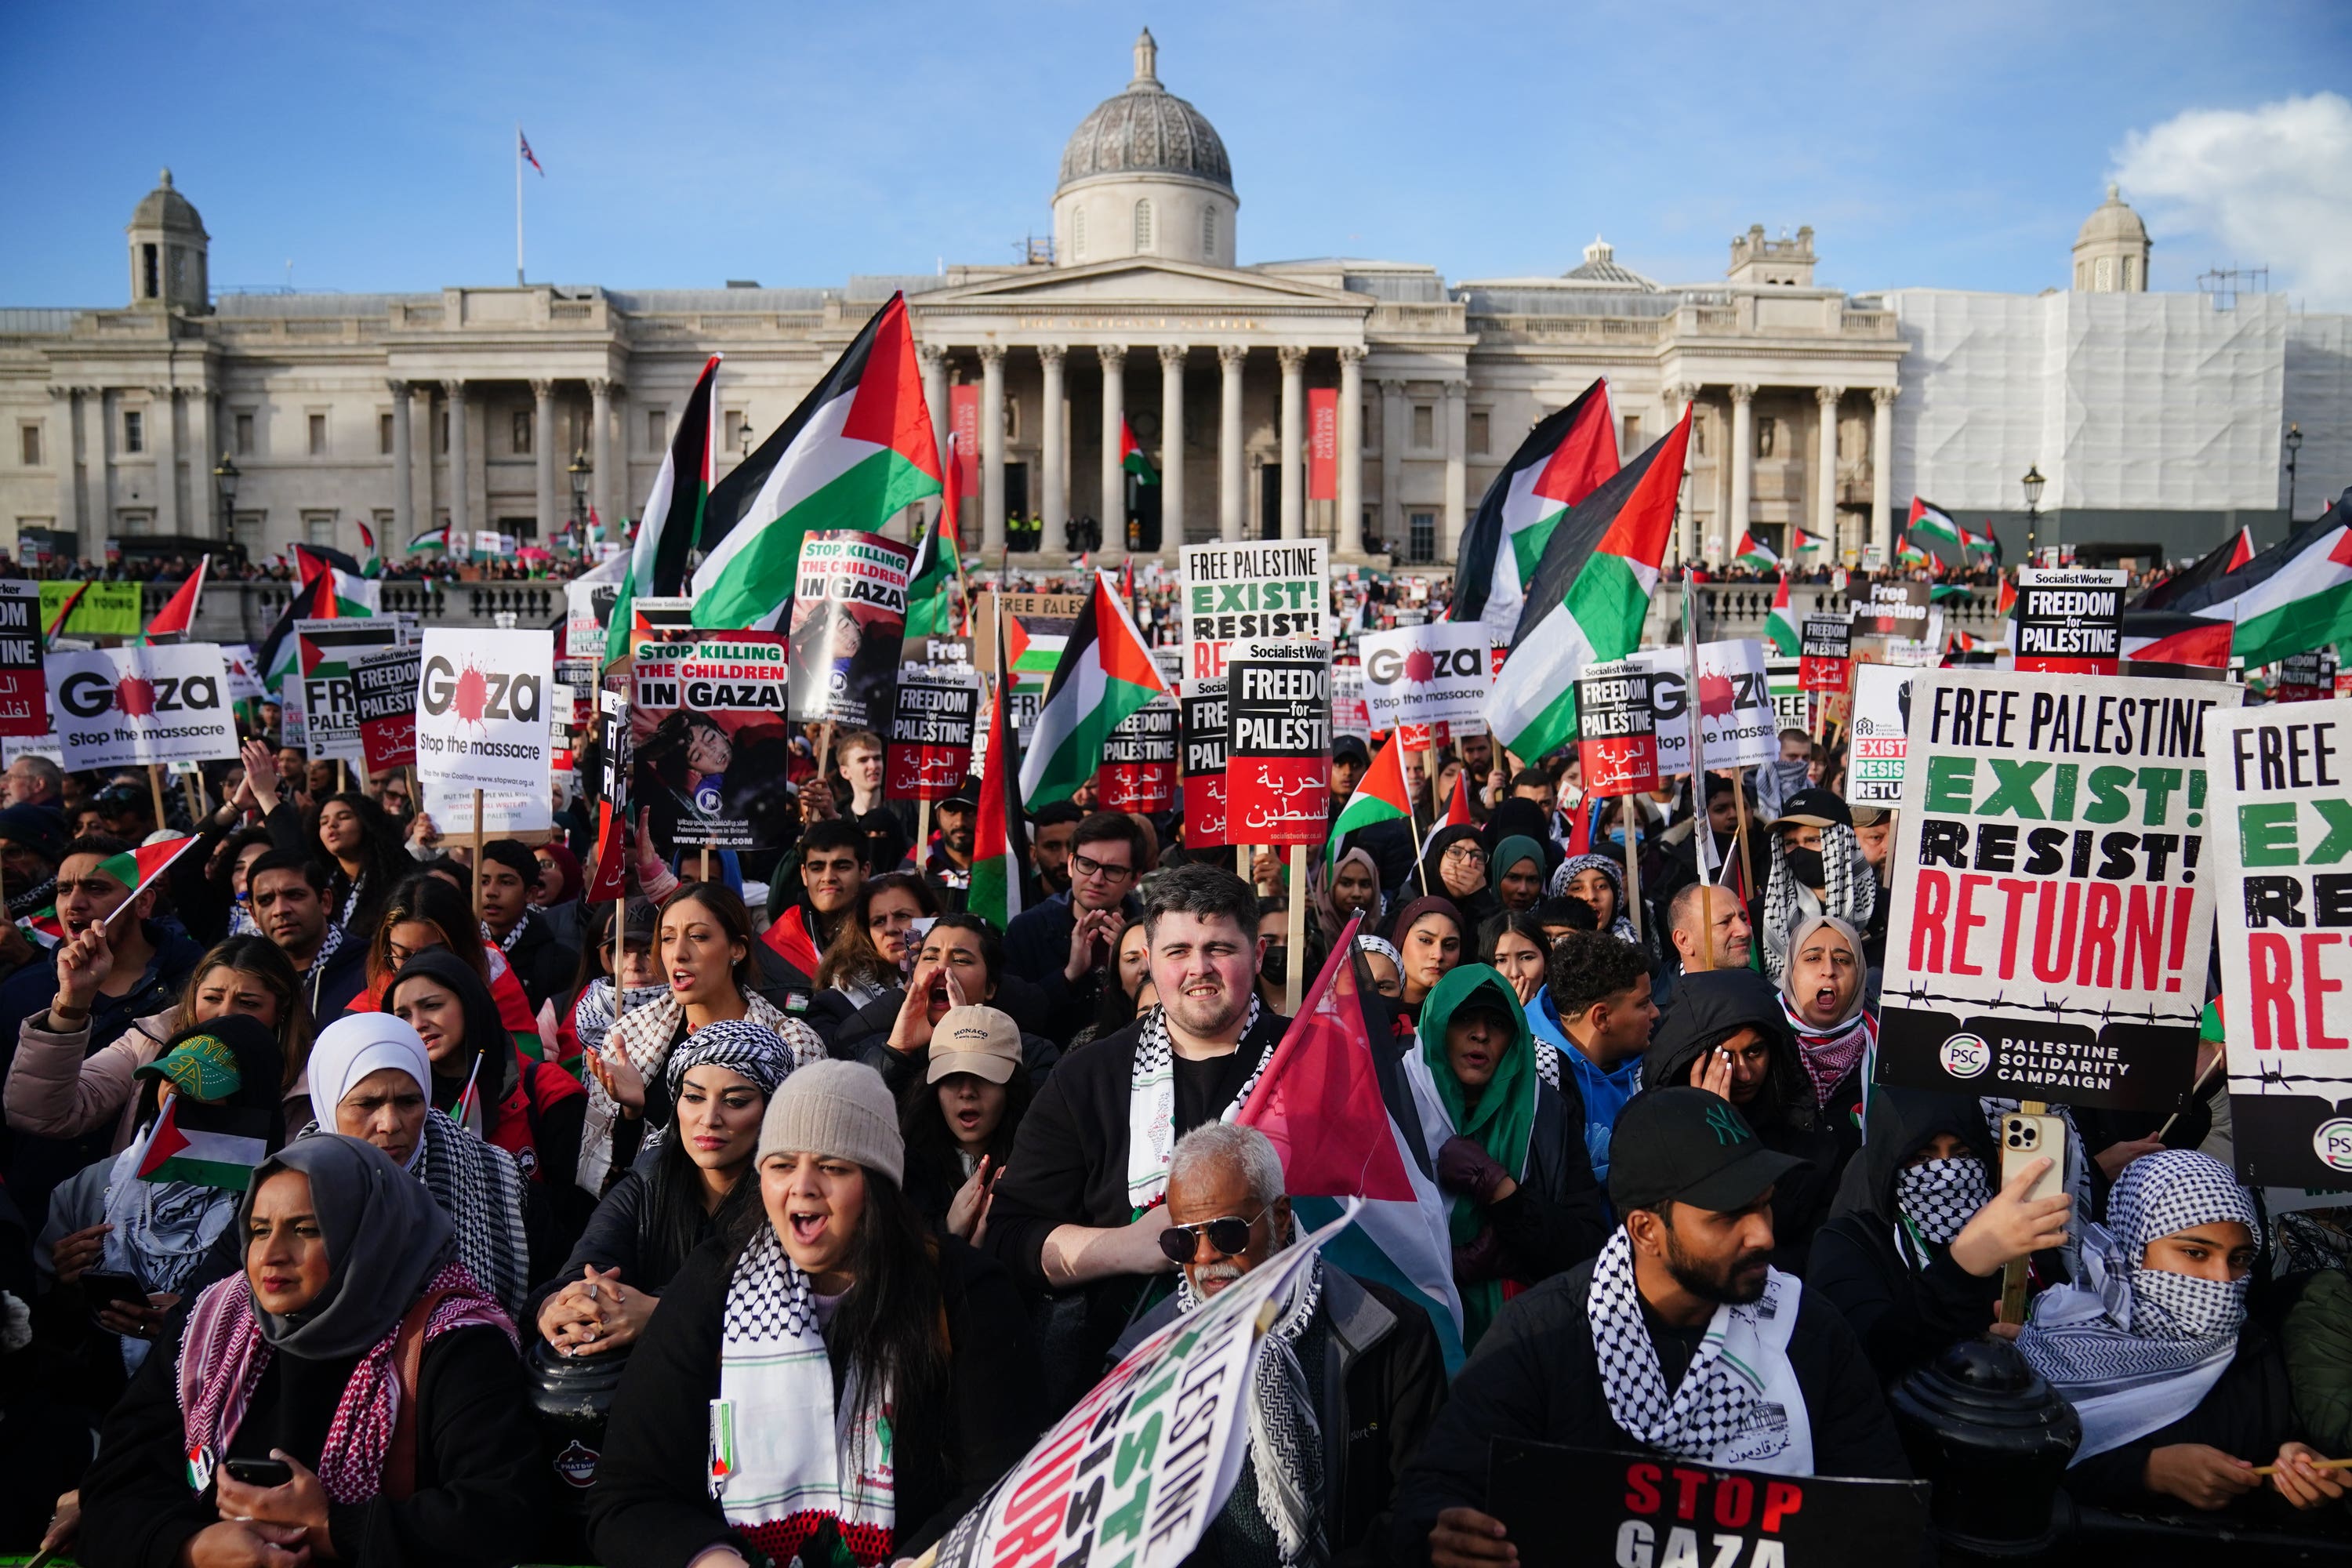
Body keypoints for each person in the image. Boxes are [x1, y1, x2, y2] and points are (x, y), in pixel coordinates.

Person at [1392, 1088, 1911, 1568]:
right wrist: (1445, 1533)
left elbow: (1885, 1517)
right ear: (1646, 1230)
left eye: (1765, 1204)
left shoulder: (1808, 1329)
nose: (1763, 1235)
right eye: (1729, 1216)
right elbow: (1438, 1490)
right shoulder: (1544, 1336)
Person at [588, 1060, 1047, 1567]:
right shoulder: (715, 1284)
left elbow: (1002, 1486)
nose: (802, 1187)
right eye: (782, 1165)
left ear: (879, 1185)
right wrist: (712, 1559)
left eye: (832, 1167)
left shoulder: (964, 1292)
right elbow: (629, 1496)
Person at [74, 1135, 546, 1568]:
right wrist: (192, 1548)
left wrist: (332, 1528)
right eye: (259, 1230)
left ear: (368, 1234)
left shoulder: (455, 1341)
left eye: (305, 1229)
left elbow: (500, 1515)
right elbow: (116, 1485)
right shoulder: (213, 1324)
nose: (271, 1255)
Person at [986, 863, 1290, 1392]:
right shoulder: (1085, 1077)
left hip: (1289, 1351)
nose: (1199, 968)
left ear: (1258, 955)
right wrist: (1129, 1246)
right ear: (1149, 961)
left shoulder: (1312, 1060)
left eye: (1220, 948)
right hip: (1131, 1378)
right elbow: (1010, 1234)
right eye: (1178, 951)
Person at [1111, 1123, 1448, 1567]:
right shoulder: (1140, 1365)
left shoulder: (1392, 1332)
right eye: (1183, 1240)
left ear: (1281, 1217)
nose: (1205, 1257)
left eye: (1227, 1233)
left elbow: (1424, 1505)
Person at [2020, 1149, 2348, 1518]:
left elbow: (2267, 1455)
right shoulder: (2059, 1344)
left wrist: (2288, 1472)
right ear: (2133, 1246)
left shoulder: (2250, 1347)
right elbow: (2016, 1470)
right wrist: (2149, 1472)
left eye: (2239, 1259)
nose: (2222, 1279)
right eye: (2195, 1253)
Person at [535, 1018, 795, 1360]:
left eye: (734, 1102)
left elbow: (783, 1307)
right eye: (694, 1097)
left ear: (770, 1110)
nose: (709, 1118)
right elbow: (587, 1263)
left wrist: (660, 1313)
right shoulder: (649, 1181)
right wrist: (561, 1307)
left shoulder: (791, 1198)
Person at [0, 835, 207, 1225]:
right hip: (39, 1218)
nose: (74, 903)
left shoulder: (200, 989)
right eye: (64, 889)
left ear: (143, 903)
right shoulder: (18, 993)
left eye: (96, 889)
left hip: (154, 1217)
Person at [578, 882, 823, 1196]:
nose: (679, 953)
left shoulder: (793, 1043)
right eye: (668, 938)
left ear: (737, 949)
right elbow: (611, 1179)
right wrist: (632, 1113)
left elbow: (810, 1163)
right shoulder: (629, 1037)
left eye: (698, 937)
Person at [1811, 1087, 2070, 1384]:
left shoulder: (2019, 1240)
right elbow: (1868, 1353)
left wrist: (2034, 1344)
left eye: (1963, 1154)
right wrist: (1963, 1266)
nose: (1948, 1172)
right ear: (1890, 1159)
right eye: (1922, 1157)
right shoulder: (1848, 1243)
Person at [1417, 963, 1609, 1348]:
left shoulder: (1545, 1112)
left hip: (1527, 1341)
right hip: (1421, 1342)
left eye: (1497, 1023)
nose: (1480, 1034)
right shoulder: (1398, 1105)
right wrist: (1447, 1267)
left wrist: (1501, 1192)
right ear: (1437, 1026)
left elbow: (1588, 1248)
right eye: (1464, 1019)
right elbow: (1366, 1239)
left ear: (1516, 1037)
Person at [304, 1011, 537, 1321]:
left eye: (409, 1102)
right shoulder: (290, 1187)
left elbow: (546, 1282)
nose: (390, 1124)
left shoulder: (496, 1176)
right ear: (328, 1105)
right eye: (367, 1104)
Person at [8, 934, 313, 1165]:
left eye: (248, 1003)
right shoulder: (149, 1041)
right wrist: (72, 1003)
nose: (225, 1014)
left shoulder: (315, 1073)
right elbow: (41, 1113)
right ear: (193, 995)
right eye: (212, 998)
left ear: (281, 1010)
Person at [1645, 967, 1842, 1272]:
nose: (1745, 1074)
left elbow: (1820, 1245)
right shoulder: (1652, 1134)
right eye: (1724, 1057)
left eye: (1755, 1052)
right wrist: (1709, 1133)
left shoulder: (1805, 1134)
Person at [386, 949, 586, 1202]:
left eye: (432, 1006)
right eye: (403, 1015)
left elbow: (577, 1209)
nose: (417, 1024)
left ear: (470, 1003)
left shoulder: (550, 1091)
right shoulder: (397, 1106)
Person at [851, 914, 1059, 1094]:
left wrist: (967, 1041)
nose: (942, 968)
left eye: (961, 960)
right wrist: (897, 1051)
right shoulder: (872, 1049)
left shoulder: (1032, 1055)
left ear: (990, 988)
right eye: (930, 957)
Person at [1003, 809, 1149, 1043]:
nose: (1096, 879)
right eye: (1087, 864)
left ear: (1135, 879)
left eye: (1113, 870)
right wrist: (1068, 975)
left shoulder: (1154, 929)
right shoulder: (1027, 929)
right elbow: (1010, 1020)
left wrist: (1130, 968)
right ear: (1071, 864)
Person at [1529, 930, 1656, 1195]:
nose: (1656, 1012)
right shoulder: (1538, 1079)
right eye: (1643, 1004)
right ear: (1602, 1018)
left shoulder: (1652, 1064)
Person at [897, 1004, 1030, 1241]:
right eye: (952, 1077)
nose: (967, 1091)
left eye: (984, 1076)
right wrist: (945, 1232)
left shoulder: (1038, 1166)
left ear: (1011, 1087)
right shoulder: (902, 1170)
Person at [1776, 912, 1875, 1151]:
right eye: (1813, 958)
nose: (1829, 970)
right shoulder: (1764, 1045)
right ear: (1790, 970)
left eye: (1842, 960)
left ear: (1859, 974)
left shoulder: (1884, 1050)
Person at [1756, 789, 1876, 984]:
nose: (1800, 851)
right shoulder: (1761, 913)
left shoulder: (1885, 911)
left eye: (1813, 840)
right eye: (1790, 842)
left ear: (1842, 842)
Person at [245, 848, 368, 1019]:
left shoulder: (371, 968)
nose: (280, 910)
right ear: (254, 915)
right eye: (266, 900)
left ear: (325, 901)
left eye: (294, 895)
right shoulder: (247, 977)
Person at [812, 870, 935, 1014]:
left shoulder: (957, 979)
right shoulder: (837, 1001)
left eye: (902, 916)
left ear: (932, 921)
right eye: (879, 921)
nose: (890, 929)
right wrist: (900, 998)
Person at [298, 789, 408, 940]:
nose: (331, 825)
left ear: (366, 823)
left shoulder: (397, 880)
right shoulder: (325, 884)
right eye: (324, 822)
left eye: (344, 817)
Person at [476, 839, 572, 1011]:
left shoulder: (560, 962)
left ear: (530, 894)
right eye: (484, 882)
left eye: (506, 882)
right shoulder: (461, 950)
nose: (491, 892)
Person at [1653, 880, 1753, 1010]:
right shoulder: (1651, 1011)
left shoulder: (1769, 996)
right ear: (1684, 941)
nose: (1745, 931)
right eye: (1724, 922)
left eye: (1743, 919)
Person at [1386, 895, 1465, 1028]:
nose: (1438, 955)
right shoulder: (1370, 1005)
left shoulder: (1463, 1017)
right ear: (1401, 939)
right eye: (1425, 940)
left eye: (1450, 945)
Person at [1482, 911, 1549, 1007]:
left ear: (1547, 963)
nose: (1515, 973)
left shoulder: (1565, 1012)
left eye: (1526, 958)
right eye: (1501, 960)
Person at [1025, 799, 1082, 902]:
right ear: (1034, 853)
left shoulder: (1108, 901)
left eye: (1072, 846)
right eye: (1052, 847)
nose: (1064, 859)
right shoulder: (1017, 903)